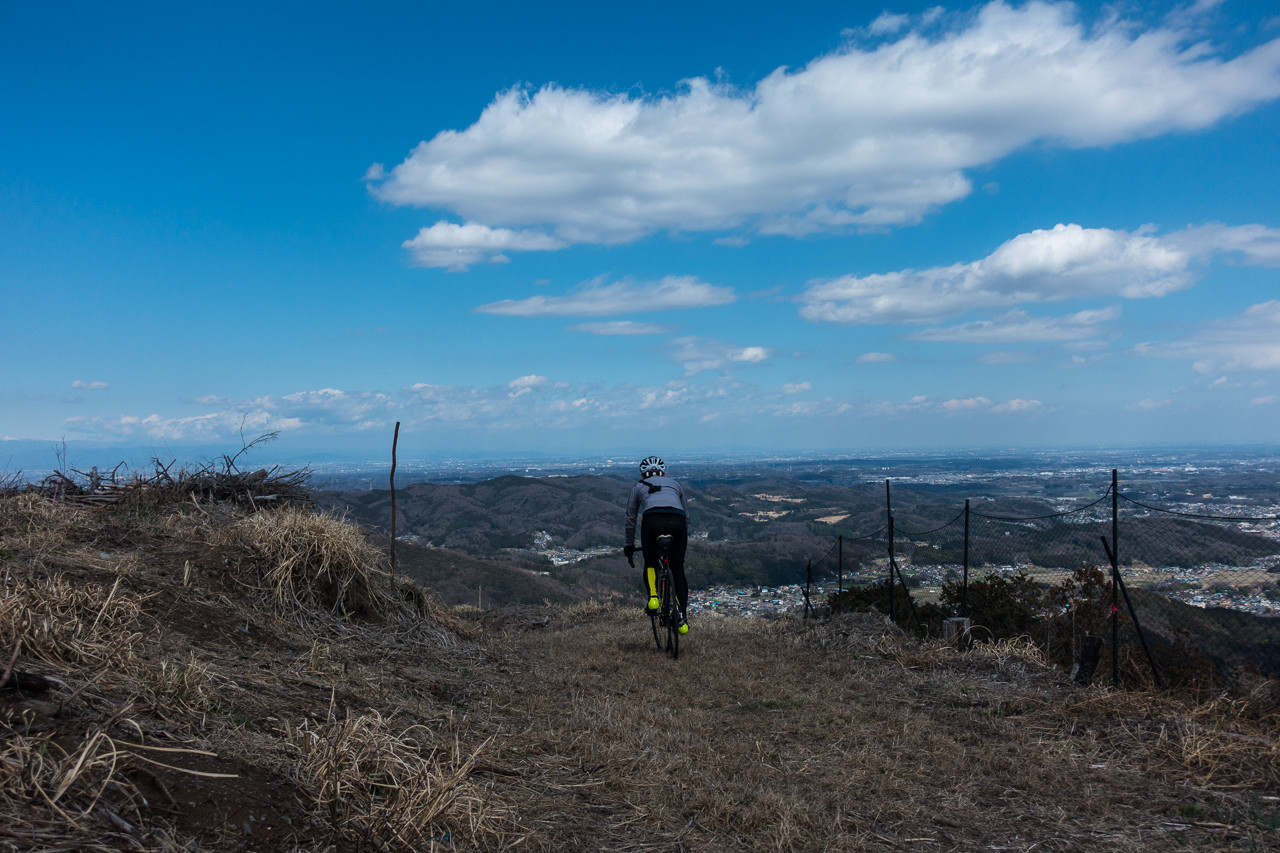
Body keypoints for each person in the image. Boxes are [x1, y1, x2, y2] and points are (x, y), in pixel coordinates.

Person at [624, 455, 690, 634]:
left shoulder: (638, 486)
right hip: (677, 521)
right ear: (663, 473)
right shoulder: (676, 484)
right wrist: (680, 537)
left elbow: (630, 519)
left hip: (651, 521)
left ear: (642, 474)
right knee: (678, 570)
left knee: (651, 562)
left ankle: (653, 598)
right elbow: (686, 515)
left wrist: (629, 545)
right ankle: (682, 619)